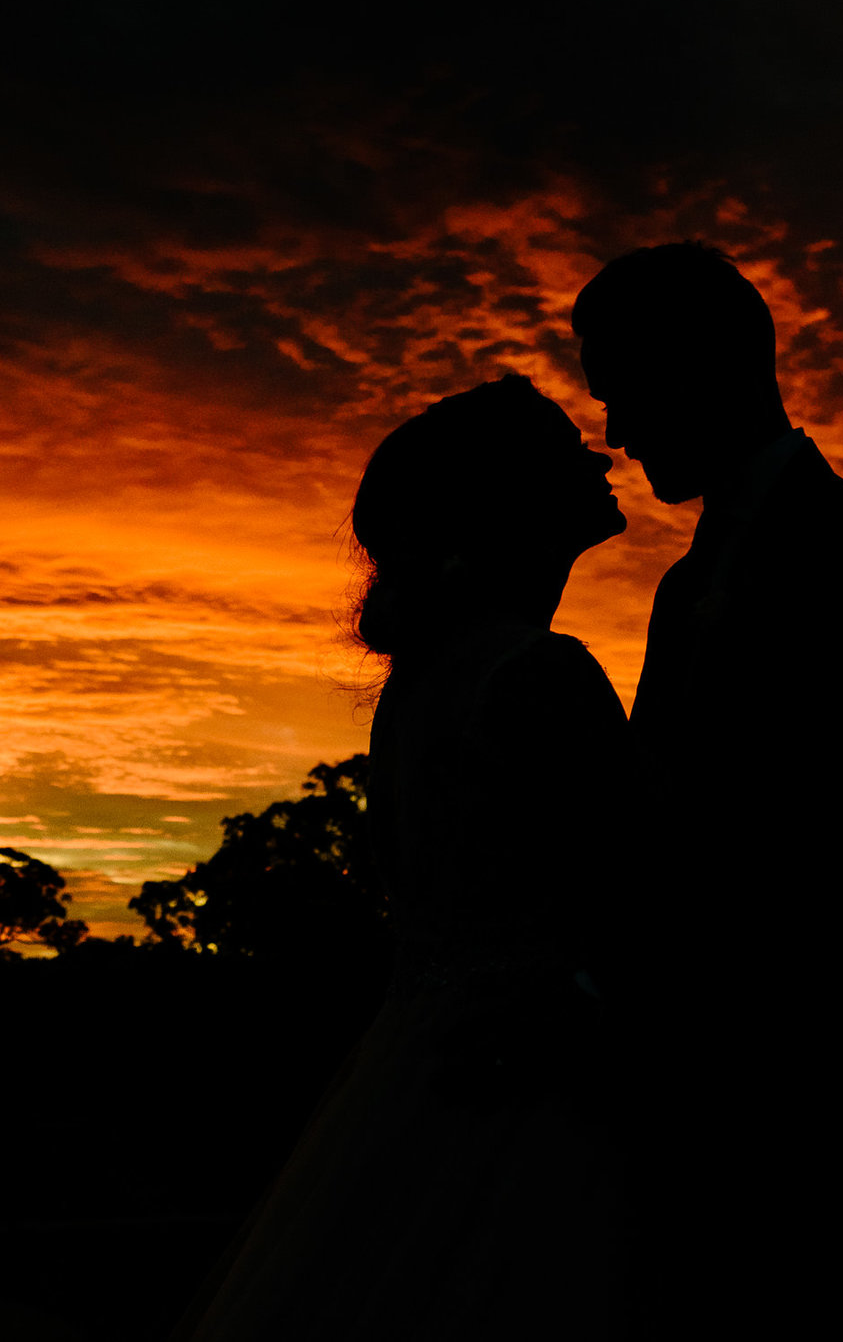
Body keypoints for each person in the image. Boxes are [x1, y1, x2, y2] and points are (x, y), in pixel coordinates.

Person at [180, 373, 638, 1341]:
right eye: (567, 452)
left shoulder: (422, 683)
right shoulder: (539, 673)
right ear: (508, 499)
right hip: (535, 1092)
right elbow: (632, 898)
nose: (602, 458)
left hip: (418, 1079)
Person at [571, 241, 843, 1331]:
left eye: (625, 392)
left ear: (706, 370)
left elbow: (812, 835)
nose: (617, 433)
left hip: (799, 1075)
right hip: (684, 1072)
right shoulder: (687, 582)